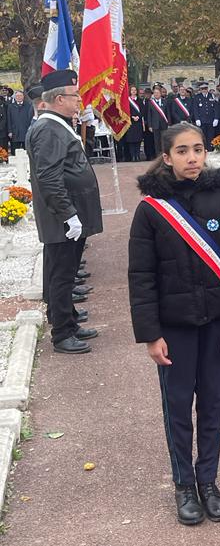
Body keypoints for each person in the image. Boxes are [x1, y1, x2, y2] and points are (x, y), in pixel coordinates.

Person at [128, 122, 220, 525]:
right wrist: (151, 334)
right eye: (182, 151)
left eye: (198, 150)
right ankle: (184, 484)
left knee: (214, 405)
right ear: (166, 157)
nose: (192, 158)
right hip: (175, 327)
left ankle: (209, 481)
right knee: (179, 407)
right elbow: (141, 276)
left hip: (218, 324)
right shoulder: (151, 209)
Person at [27, 70, 102, 355]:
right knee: (62, 274)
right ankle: (62, 333)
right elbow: (49, 177)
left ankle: (66, 318)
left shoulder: (57, 124)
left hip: (66, 214)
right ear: (59, 99)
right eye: (75, 96)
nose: (79, 100)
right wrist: (68, 214)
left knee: (65, 272)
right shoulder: (48, 128)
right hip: (62, 218)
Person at [191, 82, 219, 148]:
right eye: (202, 89)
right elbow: (195, 109)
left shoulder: (212, 96)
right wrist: (197, 119)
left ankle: (210, 150)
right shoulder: (197, 97)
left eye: (205, 88)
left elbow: (216, 108)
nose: (204, 90)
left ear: (207, 88)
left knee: (211, 137)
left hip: (211, 120)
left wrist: (216, 118)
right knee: (202, 137)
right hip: (201, 120)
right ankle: (203, 150)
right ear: (200, 89)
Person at [145, 85, 169, 158]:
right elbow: (149, 115)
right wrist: (150, 126)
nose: (156, 94)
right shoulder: (151, 103)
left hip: (164, 124)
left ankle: (165, 155)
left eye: (157, 93)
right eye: (155, 93)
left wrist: (169, 123)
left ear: (160, 93)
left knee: (163, 141)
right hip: (155, 125)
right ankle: (158, 157)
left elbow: (168, 113)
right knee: (157, 142)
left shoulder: (165, 102)